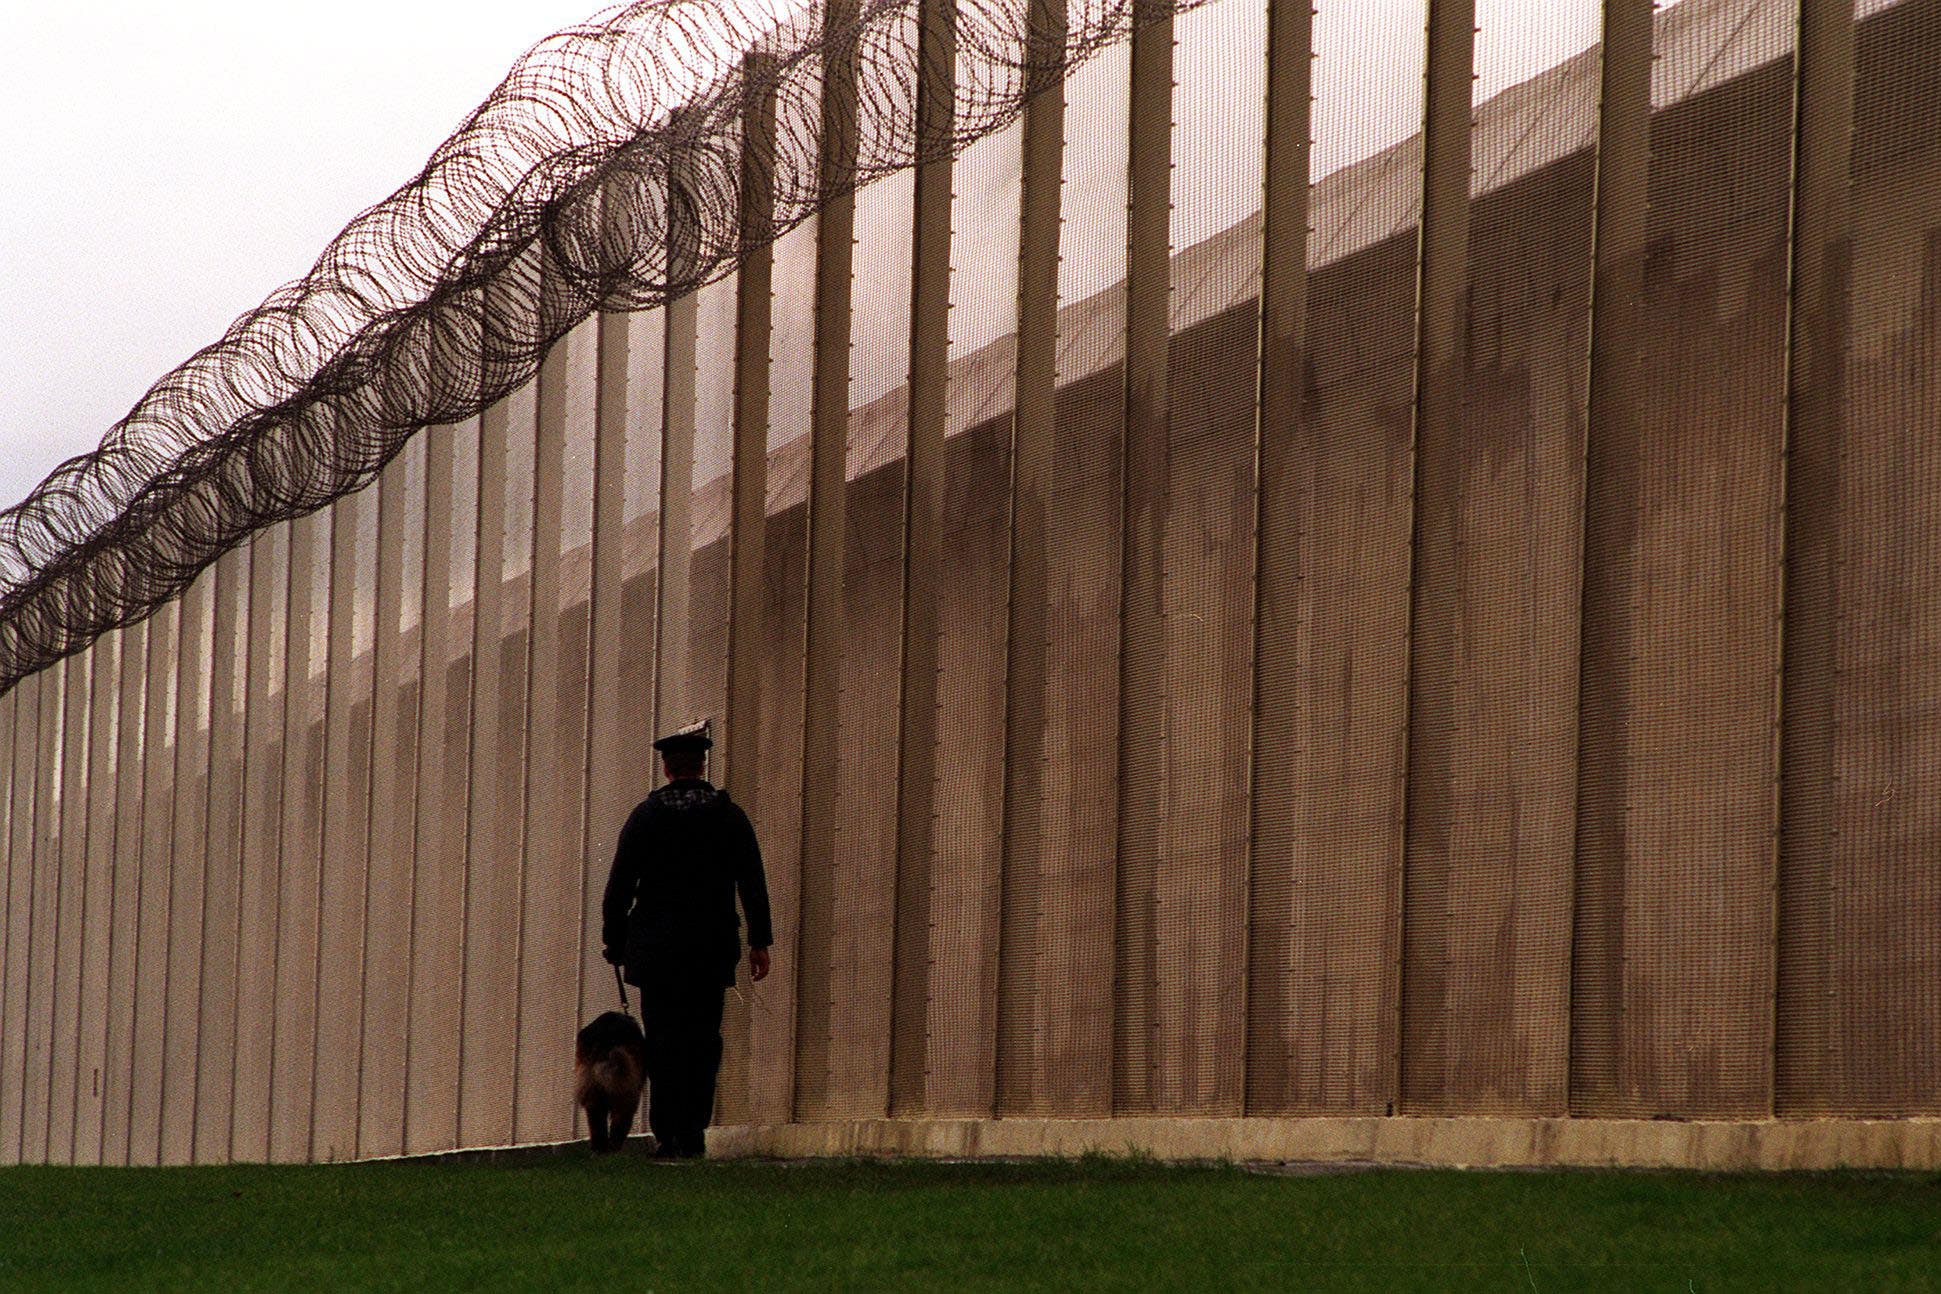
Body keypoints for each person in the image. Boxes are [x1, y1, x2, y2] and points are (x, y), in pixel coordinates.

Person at [600, 723, 772, 1159]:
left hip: (657, 952)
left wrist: (615, 941)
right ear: (702, 765)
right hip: (710, 949)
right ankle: (693, 1132)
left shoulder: (646, 817)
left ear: (667, 767)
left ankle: (668, 1133)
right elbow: (752, 879)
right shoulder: (727, 816)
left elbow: (619, 884)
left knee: (662, 1040)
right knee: (703, 1039)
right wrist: (759, 940)